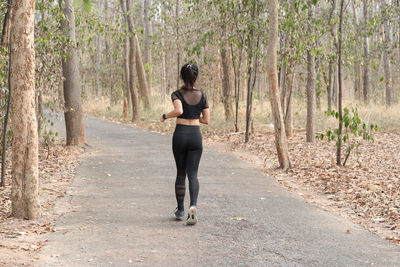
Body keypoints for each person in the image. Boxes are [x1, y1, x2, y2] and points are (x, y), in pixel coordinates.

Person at [160, 63, 210, 225]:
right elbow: (206, 120)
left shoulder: (177, 94)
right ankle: (193, 207)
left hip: (181, 135)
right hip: (195, 136)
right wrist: (195, 117)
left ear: (182, 76)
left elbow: (179, 111)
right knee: (193, 174)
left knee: (181, 172)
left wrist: (165, 116)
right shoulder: (202, 96)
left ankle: (180, 209)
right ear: (195, 77)